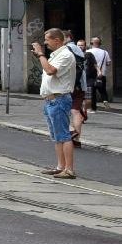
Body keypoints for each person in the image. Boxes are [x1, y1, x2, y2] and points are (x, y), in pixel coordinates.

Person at [30, 28, 80, 177]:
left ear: (57, 40)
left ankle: (69, 169)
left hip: (59, 99)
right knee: (56, 136)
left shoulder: (65, 55)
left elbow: (51, 70)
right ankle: (61, 166)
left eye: (47, 40)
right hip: (51, 100)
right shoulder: (55, 55)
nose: (45, 43)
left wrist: (40, 54)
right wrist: (41, 57)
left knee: (63, 135)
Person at [86, 37, 111, 104]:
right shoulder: (105, 52)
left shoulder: (88, 52)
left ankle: (93, 106)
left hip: (91, 75)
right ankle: (105, 101)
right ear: (100, 43)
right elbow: (108, 63)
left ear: (91, 43)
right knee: (103, 90)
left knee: (92, 91)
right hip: (102, 75)